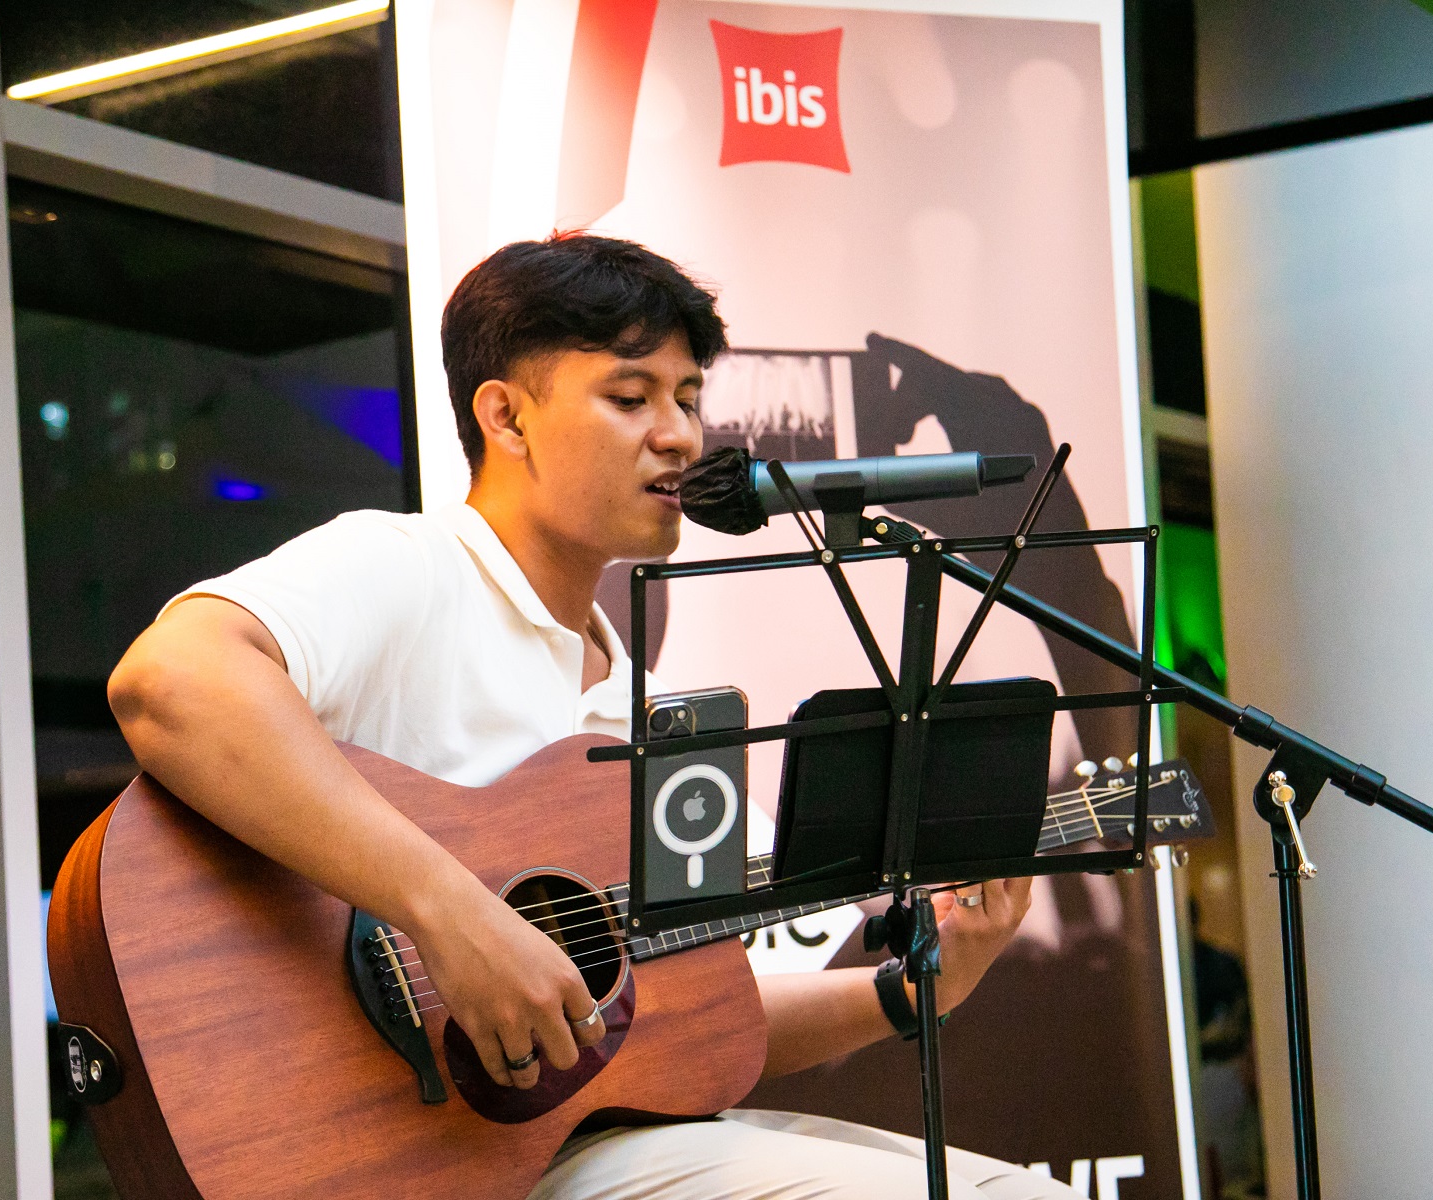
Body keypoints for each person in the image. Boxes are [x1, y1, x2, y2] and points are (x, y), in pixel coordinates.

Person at [109, 233, 1074, 1199]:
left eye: (690, 399)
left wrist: (912, 991)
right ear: (506, 417)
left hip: (582, 1144)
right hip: (406, 1155)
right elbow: (171, 682)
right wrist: (452, 915)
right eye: (631, 398)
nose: (682, 436)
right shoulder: (407, 567)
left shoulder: (647, 713)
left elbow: (680, 1024)